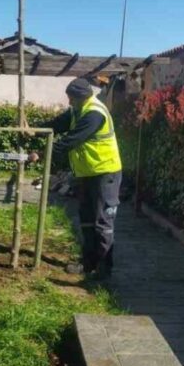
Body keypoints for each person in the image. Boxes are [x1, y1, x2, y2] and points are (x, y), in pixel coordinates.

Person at [30, 78, 123, 278]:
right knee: (87, 219)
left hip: (105, 173)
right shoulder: (77, 110)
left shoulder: (95, 114)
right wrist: (34, 131)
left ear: (81, 97)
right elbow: (57, 125)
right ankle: (88, 263)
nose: (69, 102)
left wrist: (42, 153)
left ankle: (104, 269)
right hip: (87, 174)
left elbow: (71, 140)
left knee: (102, 221)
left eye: (71, 98)